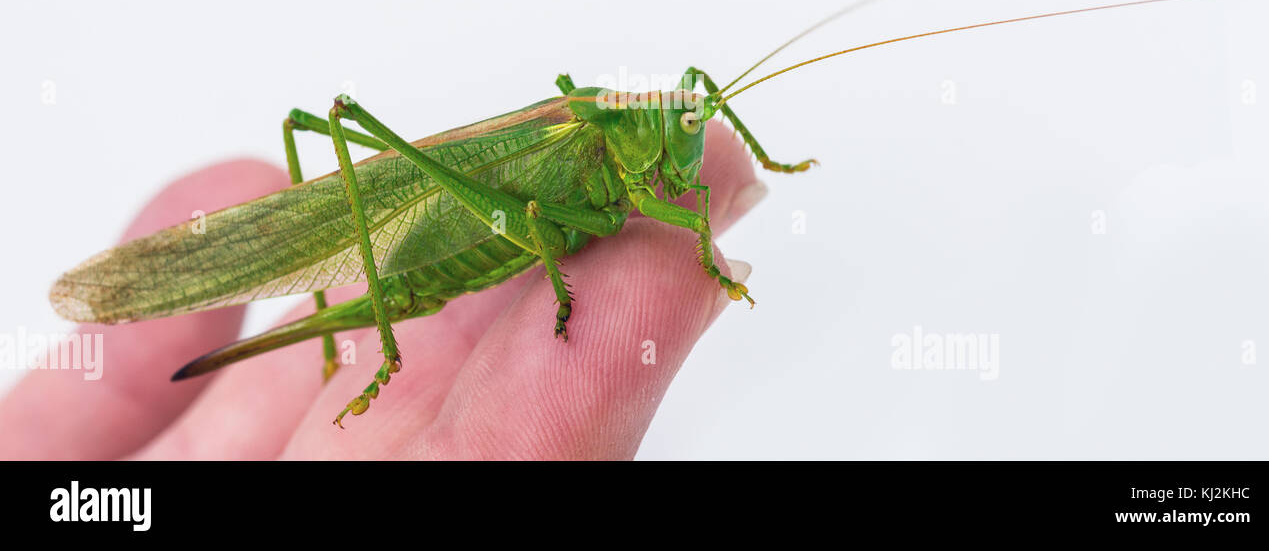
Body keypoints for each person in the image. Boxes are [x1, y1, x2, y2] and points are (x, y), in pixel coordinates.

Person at [0, 123, 765, 460]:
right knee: (330, 126)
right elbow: (535, 213)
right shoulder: (591, 139)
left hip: (498, 225)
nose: (688, 146)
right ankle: (374, 350)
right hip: (479, 224)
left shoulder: (637, 149)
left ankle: (339, 340)